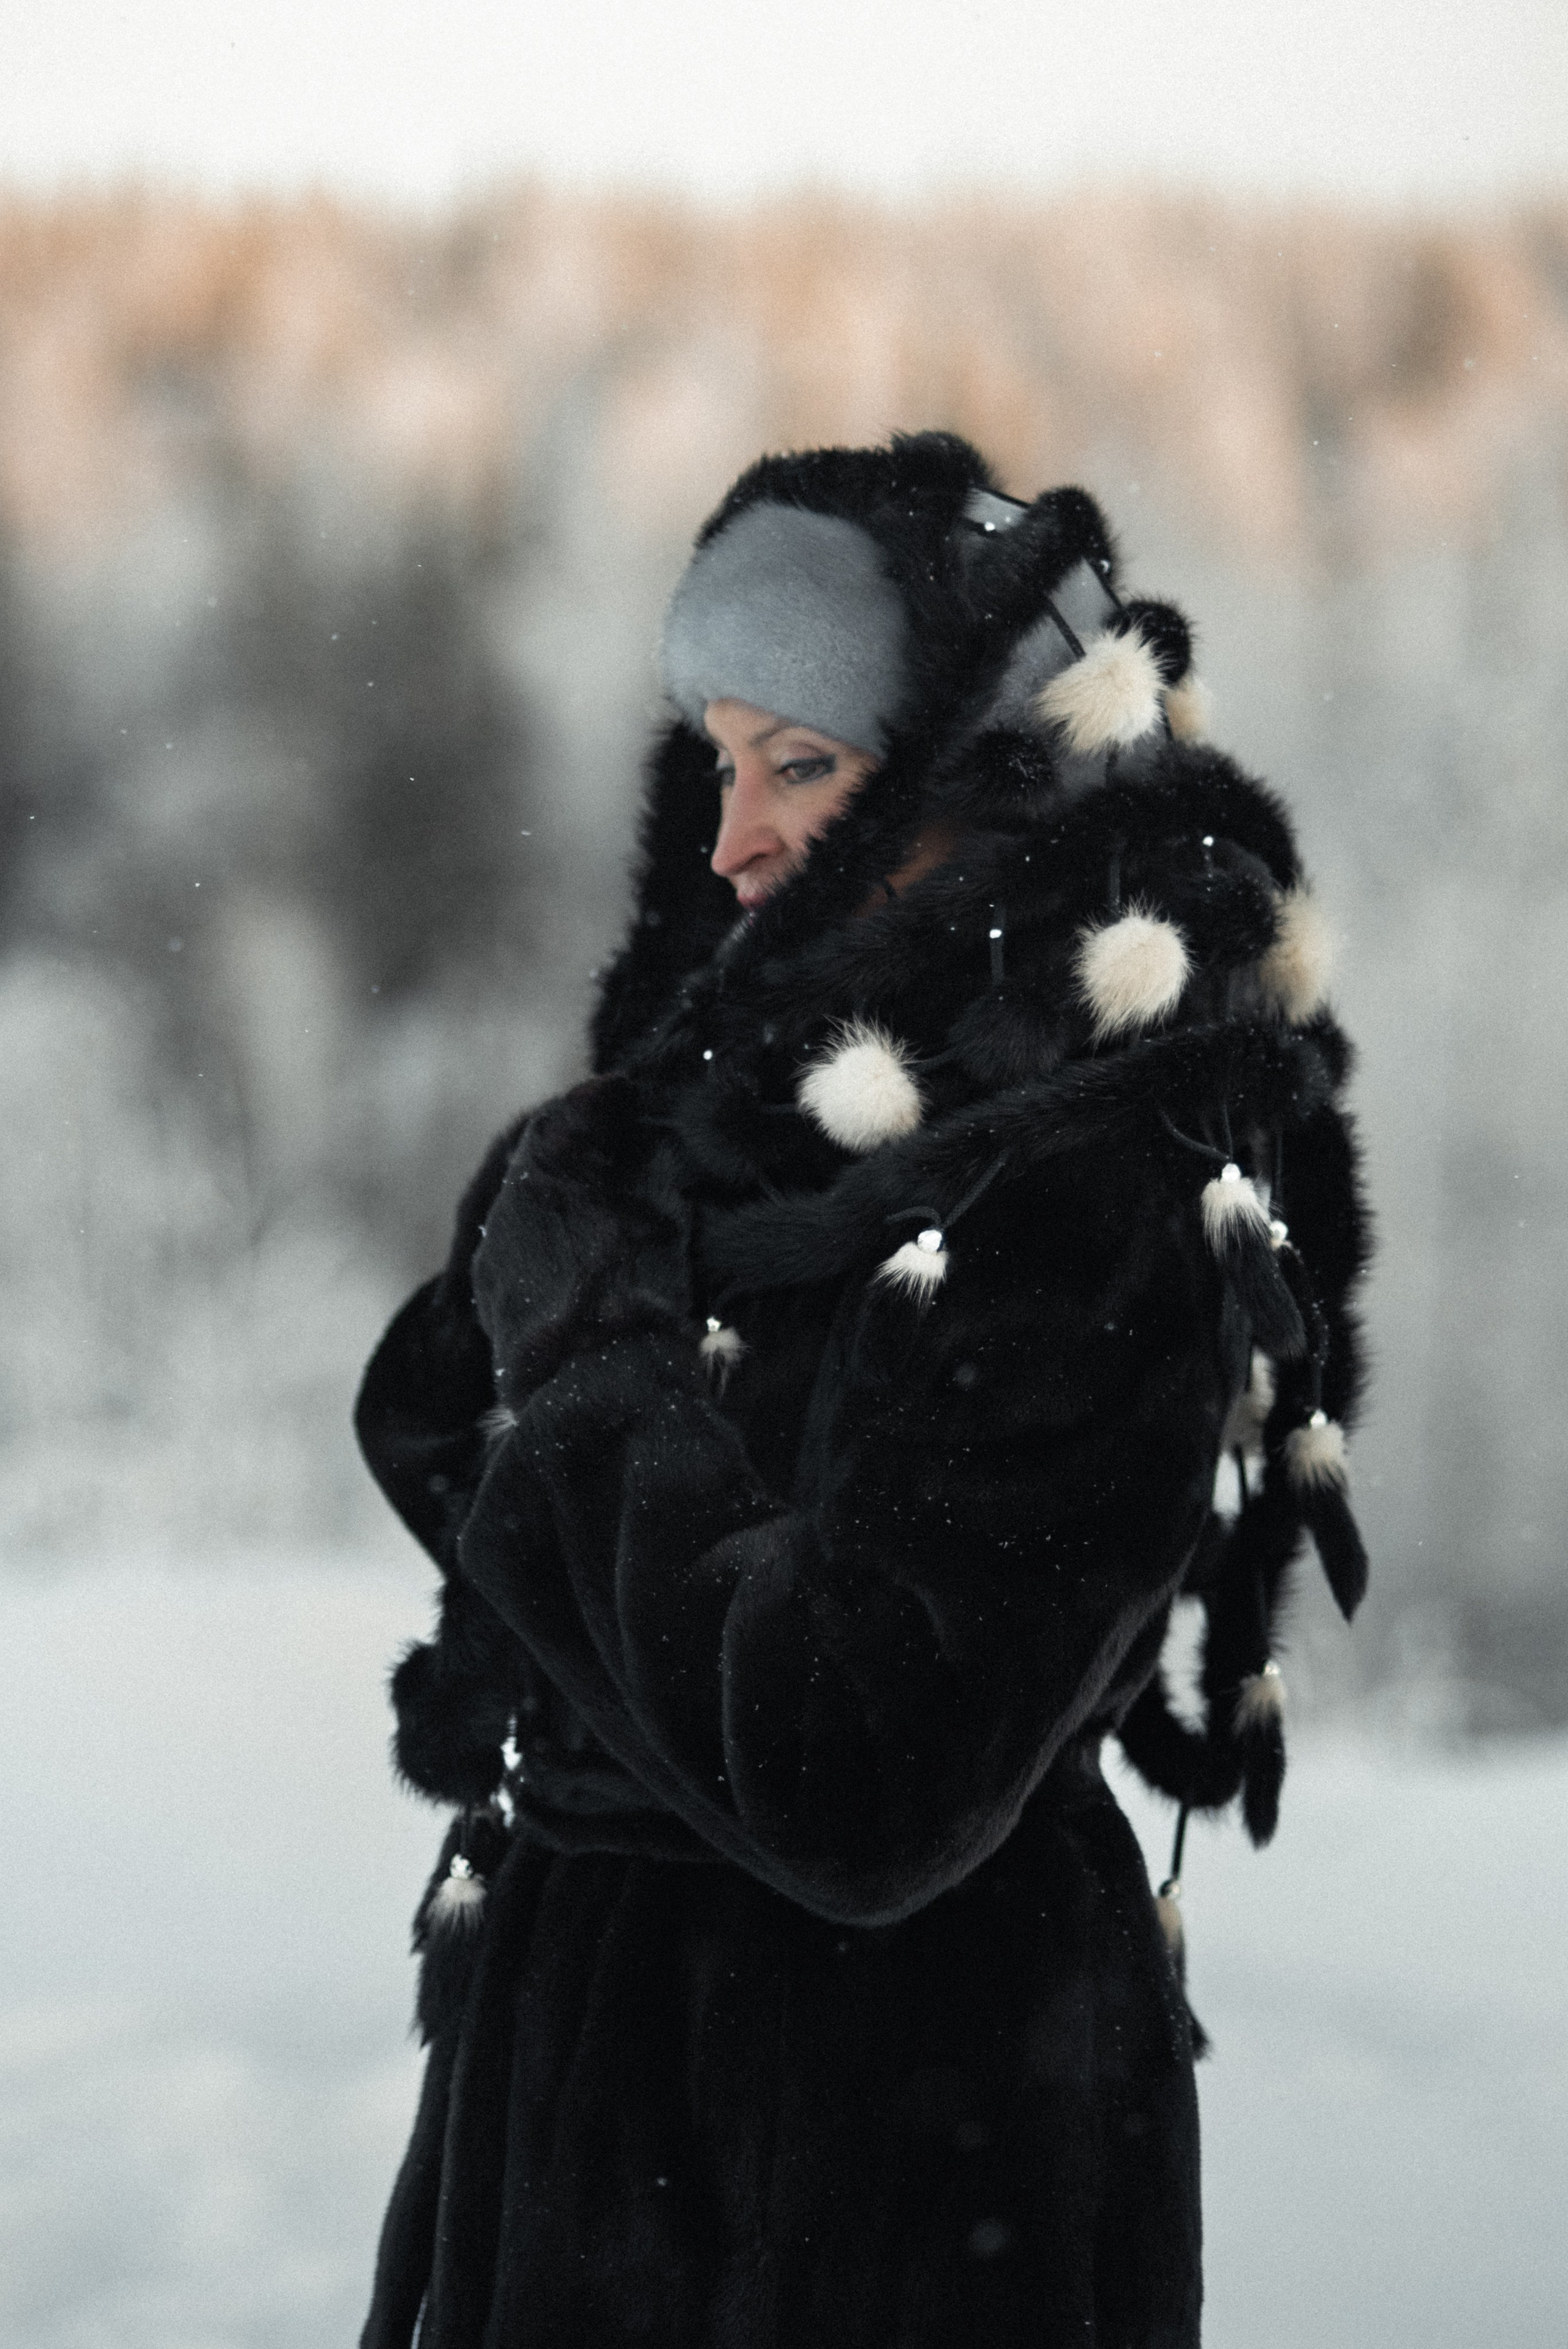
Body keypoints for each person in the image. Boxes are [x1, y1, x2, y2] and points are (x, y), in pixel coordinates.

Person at [355, 432, 1371, 2349]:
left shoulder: (1098, 1189)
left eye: (801, 765)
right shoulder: (749, 1112)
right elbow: (430, 1422)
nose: (735, 835)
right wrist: (584, 1222)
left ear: (976, 784)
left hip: (888, 2172)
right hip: (604, 2116)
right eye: (721, 763)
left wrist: (584, 1342)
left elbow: (858, 1772)